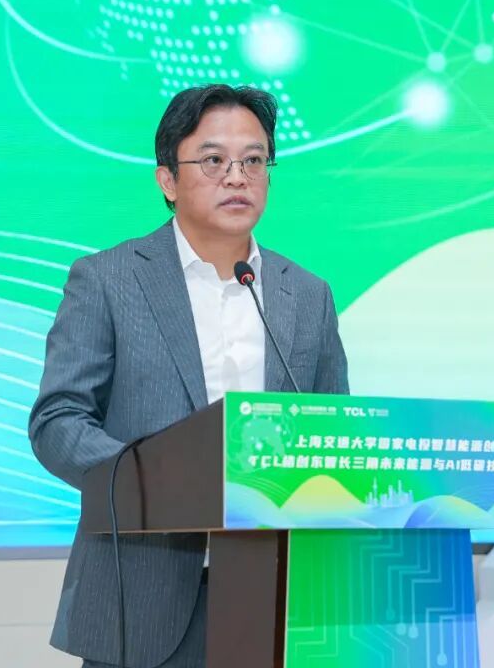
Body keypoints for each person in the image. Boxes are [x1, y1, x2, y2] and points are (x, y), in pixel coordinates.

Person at [29, 84, 350, 667]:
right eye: (214, 160)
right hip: (140, 599)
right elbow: (58, 422)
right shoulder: (108, 280)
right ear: (168, 180)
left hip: (279, 602)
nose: (237, 177)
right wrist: (160, 480)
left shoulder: (308, 295)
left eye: (254, 160)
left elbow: (335, 433)